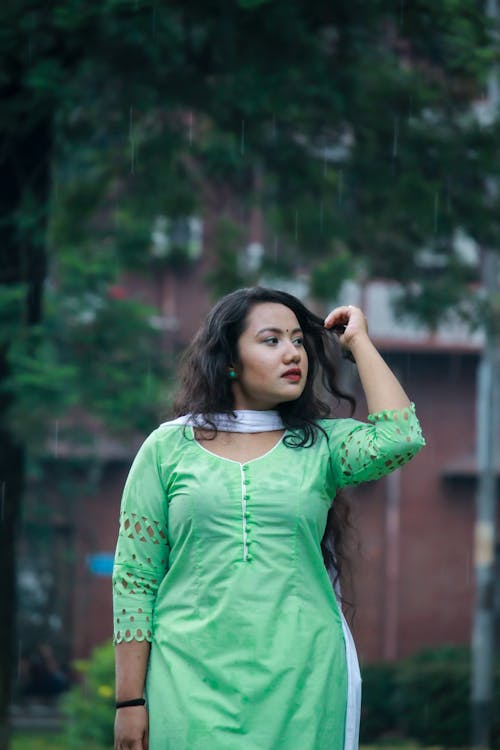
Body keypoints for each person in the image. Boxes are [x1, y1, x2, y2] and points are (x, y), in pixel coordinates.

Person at [112, 286, 425, 750]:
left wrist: (359, 342)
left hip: (303, 678)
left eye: (299, 341)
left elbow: (401, 437)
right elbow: (135, 579)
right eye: (271, 340)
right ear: (230, 360)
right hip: (185, 677)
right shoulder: (167, 448)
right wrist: (129, 702)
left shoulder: (320, 446)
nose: (292, 353)